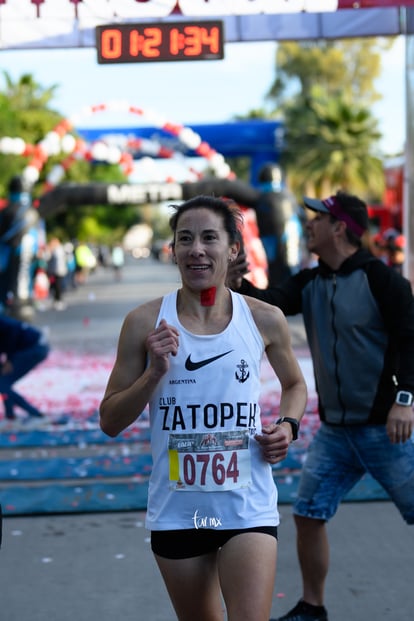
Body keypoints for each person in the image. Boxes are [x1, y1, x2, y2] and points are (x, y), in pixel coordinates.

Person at [99, 195, 307, 621]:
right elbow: (110, 420)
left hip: (247, 506)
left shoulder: (264, 318)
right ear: (173, 250)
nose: (196, 249)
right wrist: (154, 372)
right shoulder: (143, 323)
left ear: (232, 249)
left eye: (209, 238)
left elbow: (295, 385)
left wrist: (287, 425)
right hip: (178, 513)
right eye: (185, 239)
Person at [227, 190, 414, 621]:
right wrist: (238, 285)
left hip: (387, 428)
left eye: (317, 218)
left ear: (339, 228)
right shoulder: (310, 281)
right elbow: (270, 304)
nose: (308, 223)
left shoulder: (384, 281)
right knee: (308, 514)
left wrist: (405, 399)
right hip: (335, 435)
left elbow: (410, 340)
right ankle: (313, 608)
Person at [0, 314, 50, 421]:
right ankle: (10, 417)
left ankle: (36, 416)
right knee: (3, 382)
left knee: (3, 383)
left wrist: (9, 359)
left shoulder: (3, 322)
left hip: (35, 348)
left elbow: (12, 328)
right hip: (30, 348)